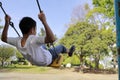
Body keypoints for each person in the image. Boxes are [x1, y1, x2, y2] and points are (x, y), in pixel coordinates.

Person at [1, 12, 75, 66]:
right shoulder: (33, 39)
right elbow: (52, 39)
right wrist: (44, 21)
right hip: (48, 59)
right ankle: (69, 52)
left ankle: (46, 44)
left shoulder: (17, 41)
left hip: (36, 61)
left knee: (42, 45)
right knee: (61, 47)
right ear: (32, 30)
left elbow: (3, 38)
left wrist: (7, 23)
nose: (35, 32)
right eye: (35, 29)